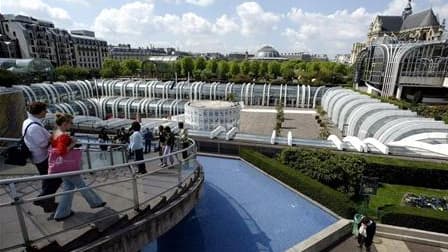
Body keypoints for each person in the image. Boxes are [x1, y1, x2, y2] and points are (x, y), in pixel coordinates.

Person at [51, 113, 106, 221]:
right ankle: (96, 202)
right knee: (81, 184)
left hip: (62, 166)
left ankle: (61, 213)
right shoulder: (62, 135)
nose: (71, 125)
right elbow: (61, 152)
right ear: (64, 123)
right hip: (68, 166)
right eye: (70, 123)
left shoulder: (55, 133)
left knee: (68, 188)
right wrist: (73, 143)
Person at [23, 102, 62, 213]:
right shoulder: (34, 127)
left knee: (47, 180)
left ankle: (48, 204)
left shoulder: (27, 122)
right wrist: (51, 138)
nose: (46, 112)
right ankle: (42, 199)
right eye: (45, 110)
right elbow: (43, 144)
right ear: (39, 112)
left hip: (37, 156)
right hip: (42, 157)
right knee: (56, 179)